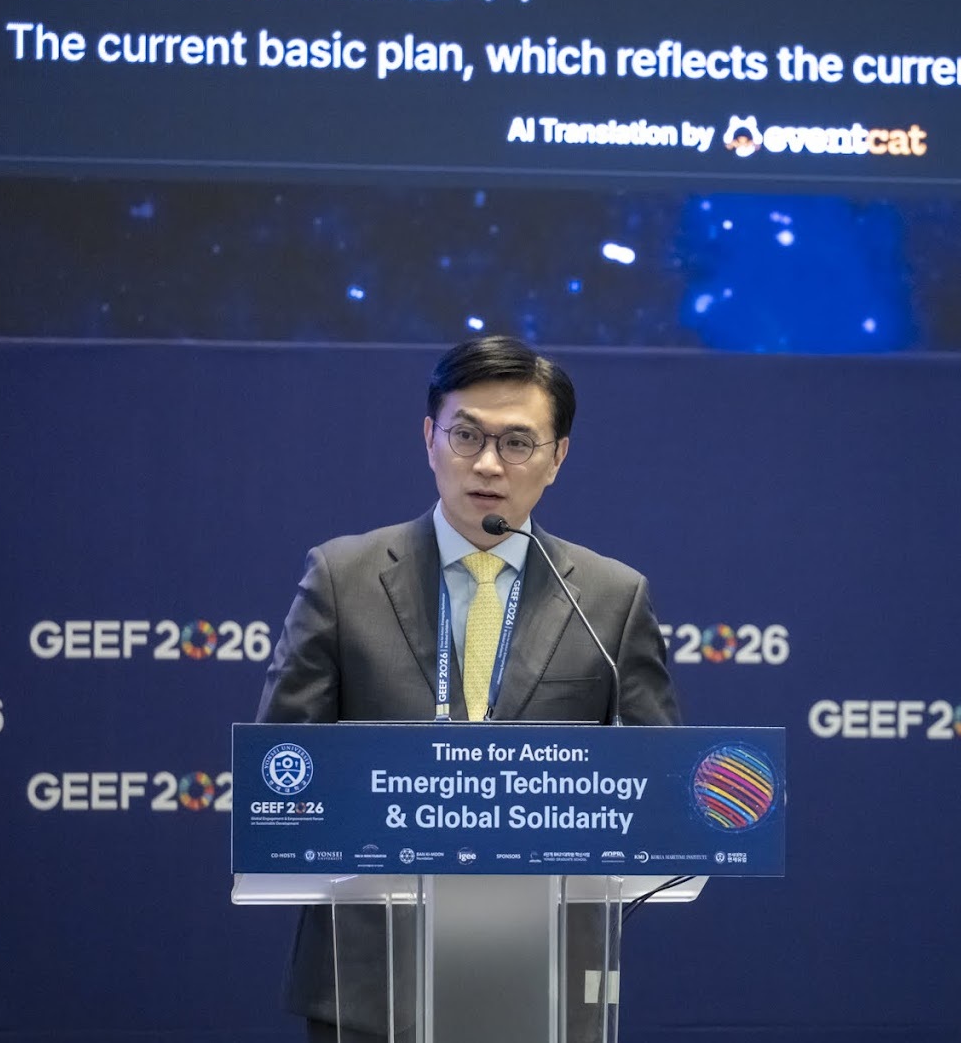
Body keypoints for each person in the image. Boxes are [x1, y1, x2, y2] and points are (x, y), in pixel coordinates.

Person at [256, 335, 680, 1042]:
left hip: (543, 978)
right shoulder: (342, 579)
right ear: (429, 438)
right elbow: (282, 765)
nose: (487, 463)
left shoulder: (612, 598)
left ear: (558, 457)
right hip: (371, 983)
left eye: (517, 442)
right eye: (466, 435)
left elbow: (655, 790)